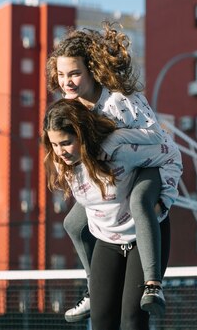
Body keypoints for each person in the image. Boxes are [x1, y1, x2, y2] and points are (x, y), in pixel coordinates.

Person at [45, 22, 183, 321]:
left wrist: (118, 137)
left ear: (92, 70)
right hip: (116, 182)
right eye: (61, 75)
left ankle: (152, 284)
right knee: (73, 223)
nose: (66, 81)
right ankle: (93, 289)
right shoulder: (72, 107)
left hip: (150, 163)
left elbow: (158, 138)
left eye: (74, 73)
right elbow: (65, 140)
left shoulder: (120, 102)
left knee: (139, 202)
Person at [42, 99, 177, 330]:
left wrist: (164, 199)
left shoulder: (118, 154)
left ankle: (154, 285)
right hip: (107, 241)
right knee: (102, 321)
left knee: (131, 321)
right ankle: (90, 292)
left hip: (141, 239)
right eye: (54, 145)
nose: (59, 152)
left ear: (82, 136)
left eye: (65, 143)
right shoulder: (65, 164)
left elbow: (169, 155)